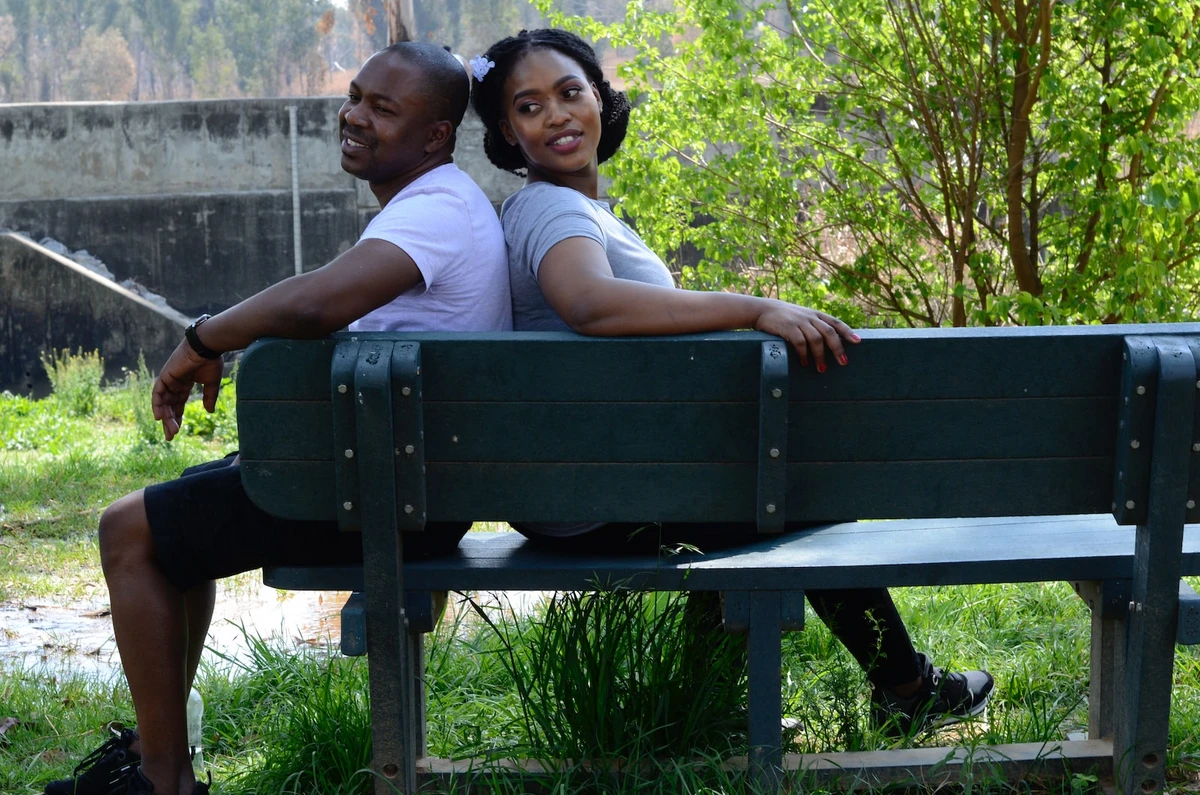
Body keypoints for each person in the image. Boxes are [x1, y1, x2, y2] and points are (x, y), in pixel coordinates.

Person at [468, 28, 994, 739]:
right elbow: (587, 302)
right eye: (529, 107)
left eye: (569, 93)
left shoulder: (565, 210)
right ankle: (906, 686)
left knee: (757, 494)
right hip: (591, 491)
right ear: (507, 130)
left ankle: (696, 706)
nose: (557, 115)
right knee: (803, 500)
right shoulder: (551, 209)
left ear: (599, 96)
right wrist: (755, 307)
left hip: (594, 478)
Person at [46, 42, 510, 795]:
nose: (354, 116)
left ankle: (161, 782)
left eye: (383, 109)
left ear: (435, 136)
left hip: (383, 496)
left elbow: (315, 302)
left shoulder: (439, 211)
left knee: (127, 530)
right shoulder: (441, 204)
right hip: (401, 482)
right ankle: (155, 754)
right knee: (172, 528)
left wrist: (201, 337)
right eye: (356, 95)